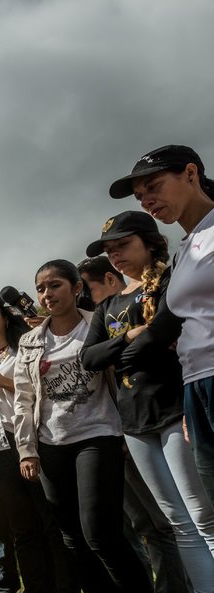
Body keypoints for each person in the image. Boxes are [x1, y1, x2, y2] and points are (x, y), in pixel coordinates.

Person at [81, 212, 214, 593]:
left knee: (203, 515)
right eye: (109, 250)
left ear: (149, 243)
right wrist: (129, 340)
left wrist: (139, 341)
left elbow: (163, 333)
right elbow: (90, 358)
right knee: (177, 522)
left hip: (174, 409)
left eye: (122, 244)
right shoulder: (108, 306)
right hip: (134, 422)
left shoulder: (168, 281)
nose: (114, 255)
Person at [14, 259, 156, 593]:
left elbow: (116, 372)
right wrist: (27, 450)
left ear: (77, 287)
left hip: (98, 434)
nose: (47, 294)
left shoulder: (98, 324)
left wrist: (125, 431)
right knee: (72, 539)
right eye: (41, 287)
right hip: (50, 443)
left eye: (55, 285)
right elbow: (23, 398)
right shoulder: (30, 341)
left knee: (101, 533)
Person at [0, 294, 79, 593]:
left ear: (4, 318)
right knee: (22, 531)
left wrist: (2, 381)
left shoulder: (24, 353)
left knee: (51, 527)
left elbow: (38, 394)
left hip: (28, 445)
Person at [109, 145, 214, 504]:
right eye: (140, 196)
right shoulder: (185, 252)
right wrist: (190, 402)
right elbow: (165, 329)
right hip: (196, 387)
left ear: (190, 174)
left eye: (154, 187)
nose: (146, 200)